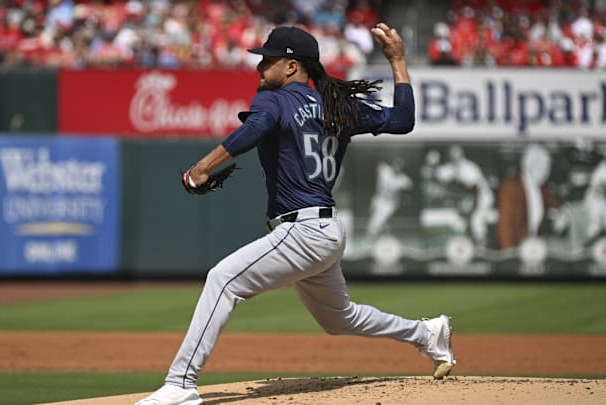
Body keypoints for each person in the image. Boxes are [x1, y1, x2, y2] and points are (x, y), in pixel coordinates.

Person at [136, 23, 456, 405]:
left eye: (267, 59)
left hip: (302, 229)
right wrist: (398, 61)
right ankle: (425, 334)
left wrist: (202, 166)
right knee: (340, 319)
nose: (260, 66)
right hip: (326, 231)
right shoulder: (339, 106)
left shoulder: (275, 99)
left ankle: (181, 384)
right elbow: (404, 119)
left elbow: (255, 128)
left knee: (222, 280)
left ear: (290, 67)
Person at [496, 144, 561, 249]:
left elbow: (557, 207)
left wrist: (560, 215)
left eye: (548, 167)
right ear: (528, 166)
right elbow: (505, 225)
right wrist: (509, 255)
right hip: (515, 251)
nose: (546, 172)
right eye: (543, 166)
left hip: (535, 250)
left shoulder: (543, 189)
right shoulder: (510, 187)